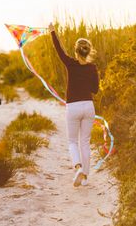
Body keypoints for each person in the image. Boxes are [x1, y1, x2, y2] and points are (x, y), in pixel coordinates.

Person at [49, 23, 99, 187]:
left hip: (73, 107)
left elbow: (59, 51)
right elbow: (95, 90)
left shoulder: (70, 64)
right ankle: (84, 177)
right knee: (85, 142)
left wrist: (53, 32)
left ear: (76, 51)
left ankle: (78, 167)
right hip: (88, 106)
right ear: (89, 50)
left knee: (72, 141)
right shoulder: (93, 67)